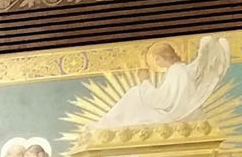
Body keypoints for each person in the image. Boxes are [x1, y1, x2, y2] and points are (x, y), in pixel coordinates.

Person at [90, 35, 232, 128]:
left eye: (157, 59)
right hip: (172, 112)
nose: (156, 63)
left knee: (134, 93)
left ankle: (107, 123)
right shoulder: (180, 70)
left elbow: (163, 101)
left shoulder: (176, 72)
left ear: (165, 56)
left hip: (171, 115)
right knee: (135, 95)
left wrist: (145, 82)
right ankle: (109, 122)